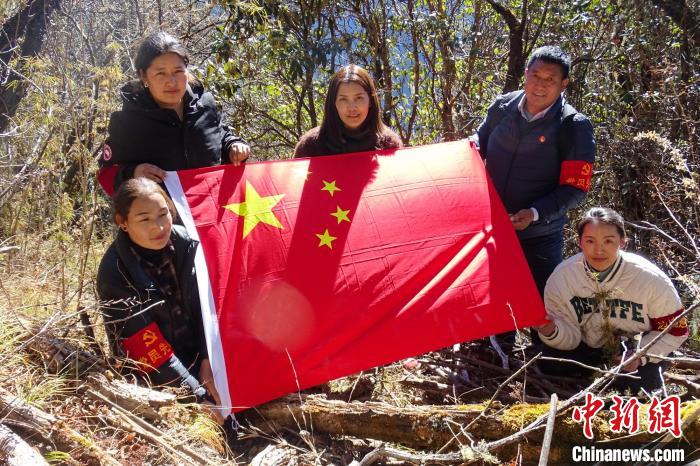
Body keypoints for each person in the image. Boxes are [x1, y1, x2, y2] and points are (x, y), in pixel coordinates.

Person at [97, 178, 223, 422]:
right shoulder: (115, 273)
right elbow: (148, 349)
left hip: (202, 356)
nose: (159, 227)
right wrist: (197, 396)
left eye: (163, 214)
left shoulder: (189, 244)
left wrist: (209, 358)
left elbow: (209, 309)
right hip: (155, 376)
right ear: (122, 222)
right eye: (144, 219)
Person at [476, 45, 596, 298]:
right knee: (493, 301)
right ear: (526, 74)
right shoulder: (503, 107)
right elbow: (478, 144)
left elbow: (575, 188)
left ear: (564, 84)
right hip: (492, 228)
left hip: (539, 237)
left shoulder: (573, 126)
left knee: (543, 304)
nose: (540, 85)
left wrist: (534, 213)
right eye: (536, 75)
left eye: (550, 79)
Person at [537, 207, 688, 392]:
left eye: (608, 241)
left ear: (622, 242)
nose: (598, 249)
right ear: (580, 242)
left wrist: (640, 355)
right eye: (590, 241)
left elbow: (676, 330)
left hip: (637, 349)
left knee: (639, 386)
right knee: (550, 363)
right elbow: (571, 337)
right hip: (589, 347)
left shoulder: (649, 279)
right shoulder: (563, 278)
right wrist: (552, 330)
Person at [97, 31, 250, 196]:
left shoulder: (205, 106)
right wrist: (133, 173)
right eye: (160, 73)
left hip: (210, 207)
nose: (172, 82)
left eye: (178, 71)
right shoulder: (128, 123)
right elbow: (106, 175)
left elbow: (220, 136)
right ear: (143, 76)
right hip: (163, 212)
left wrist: (233, 146)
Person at [294, 64, 403, 157]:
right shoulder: (310, 147)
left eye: (359, 98)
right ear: (334, 103)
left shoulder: (389, 145)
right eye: (343, 99)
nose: (351, 108)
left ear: (370, 100)